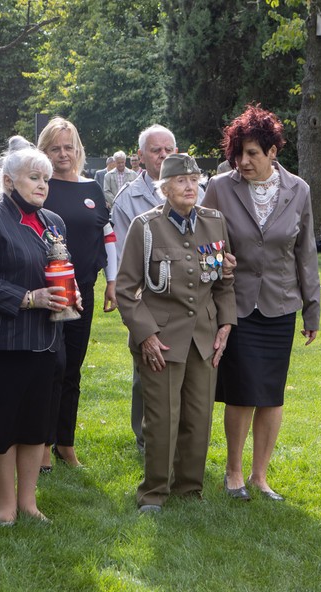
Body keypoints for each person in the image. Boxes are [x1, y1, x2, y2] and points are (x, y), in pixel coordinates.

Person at [202, 104, 320, 502]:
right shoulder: (220, 186)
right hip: (236, 305)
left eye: (253, 152)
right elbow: (205, 244)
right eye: (238, 152)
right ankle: (233, 472)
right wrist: (221, 262)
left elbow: (306, 253)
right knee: (240, 390)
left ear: (273, 152)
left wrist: (312, 309)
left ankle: (260, 476)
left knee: (271, 393)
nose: (243, 161)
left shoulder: (298, 189)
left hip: (281, 305)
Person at [0, 147, 78, 525]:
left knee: (35, 427)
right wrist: (30, 298)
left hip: (46, 340)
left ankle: (28, 503)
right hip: (2, 342)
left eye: (45, 178)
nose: (42, 184)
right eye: (34, 177)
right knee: (3, 426)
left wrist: (69, 295)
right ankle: (5, 506)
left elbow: (59, 270)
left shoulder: (54, 222)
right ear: (9, 181)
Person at [116, 153, 237, 512]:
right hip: (162, 339)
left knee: (199, 418)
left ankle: (189, 488)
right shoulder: (146, 226)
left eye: (194, 179)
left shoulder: (214, 223)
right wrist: (146, 336)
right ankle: (153, 492)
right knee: (162, 420)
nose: (189, 186)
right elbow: (126, 290)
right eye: (181, 180)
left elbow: (224, 282)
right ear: (164, 188)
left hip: (203, 337)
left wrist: (225, 324)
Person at [36, 117, 118, 470]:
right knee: (48, 366)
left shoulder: (92, 188)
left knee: (72, 368)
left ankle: (65, 443)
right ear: (43, 152)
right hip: (44, 291)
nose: (63, 154)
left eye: (68, 147)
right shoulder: (38, 187)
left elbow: (107, 234)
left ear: (78, 150)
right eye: (55, 148)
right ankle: (41, 443)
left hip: (83, 289)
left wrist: (112, 281)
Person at [112, 124, 178, 452]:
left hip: (186, 303)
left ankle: (182, 441)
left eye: (169, 149)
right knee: (146, 374)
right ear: (141, 156)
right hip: (147, 304)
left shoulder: (198, 191)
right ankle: (145, 439)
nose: (163, 155)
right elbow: (128, 269)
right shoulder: (128, 201)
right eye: (156, 150)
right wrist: (142, 323)